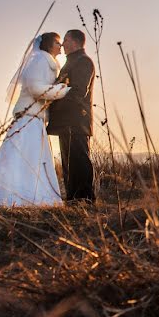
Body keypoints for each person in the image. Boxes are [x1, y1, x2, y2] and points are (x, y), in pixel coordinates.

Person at [0, 33, 70, 207]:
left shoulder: (48, 63)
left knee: (32, 161)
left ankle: (30, 198)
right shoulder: (39, 60)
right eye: (58, 43)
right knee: (24, 160)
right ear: (48, 44)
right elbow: (35, 88)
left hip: (34, 119)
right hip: (28, 119)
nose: (61, 46)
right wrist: (62, 90)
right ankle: (18, 199)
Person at [47, 29, 96, 202]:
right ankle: (72, 199)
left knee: (79, 161)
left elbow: (78, 91)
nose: (63, 44)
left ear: (75, 42)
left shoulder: (83, 61)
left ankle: (85, 201)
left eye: (66, 40)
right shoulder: (69, 63)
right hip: (65, 121)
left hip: (77, 121)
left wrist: (55, 99)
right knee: (68, 163)